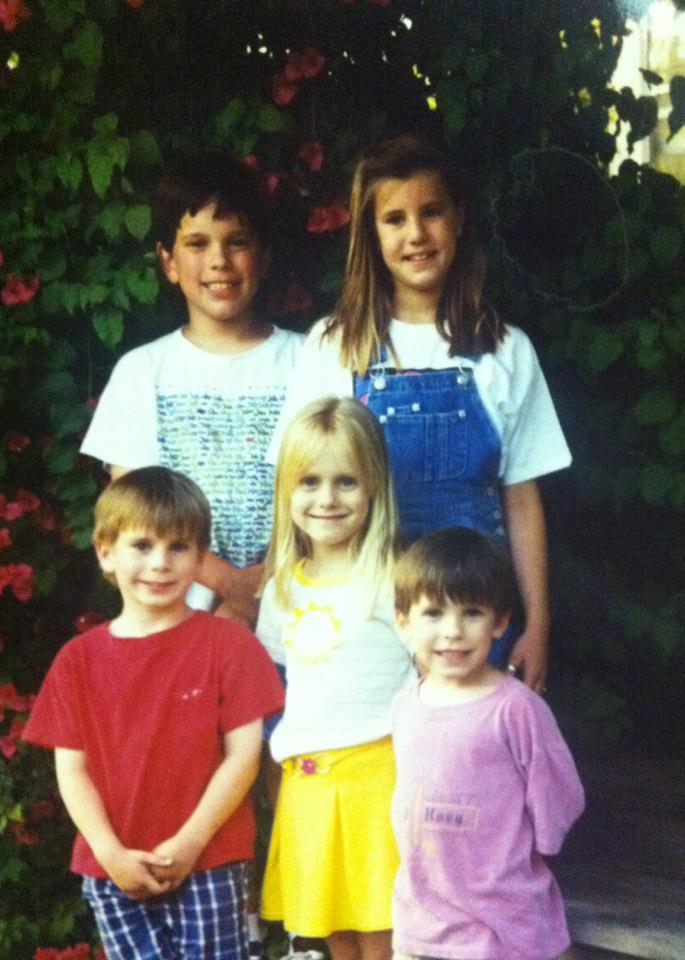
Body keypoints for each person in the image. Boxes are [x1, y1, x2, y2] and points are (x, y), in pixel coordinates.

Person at [270, 134, 571, 691]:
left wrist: (538, 623)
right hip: (362, 617)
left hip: (472, 618)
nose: (416, 234)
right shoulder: (333, 346)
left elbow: (522, 497)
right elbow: (297, 485)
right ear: (370, 233)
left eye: (431, 212)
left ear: (458, 219)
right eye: (394, 219)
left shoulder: (504, 349)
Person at [22, 467, 285, 960]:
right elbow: (72, 771)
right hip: (113, 865)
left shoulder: (229, 645)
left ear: (201, 558)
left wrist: (190, 843)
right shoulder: (77, 660)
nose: (160, 563)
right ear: (106, 552)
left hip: (209, 857)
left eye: (178, 547)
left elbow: (244, 757)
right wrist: (109, 852)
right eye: (142, 546)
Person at [81, 154, 304, 624]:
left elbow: (336, 484)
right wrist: (232, 588)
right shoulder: (142, 372)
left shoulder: (309, 361)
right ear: (168, 261)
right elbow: (137, 513)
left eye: (237, 242)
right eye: (197, 244)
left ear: (264, 256)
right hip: (177, 615)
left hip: (297, 609)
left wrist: (263, 588)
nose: (219, 261)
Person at [257, 397, 413, 960]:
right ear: (287, 490)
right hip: (309, 789)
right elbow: (281, 694)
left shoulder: (395, 579)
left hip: (380, 784)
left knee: (384, 934)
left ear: (374, 487)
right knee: (332, 933)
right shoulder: (281, 587)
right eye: (310, 482)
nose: (326, 499)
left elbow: (435, 683)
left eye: (346, 481)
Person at [391, 526, 585, 960]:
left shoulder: (516, 708)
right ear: (403, 621)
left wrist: (539, 848)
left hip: (501, 919)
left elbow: (559, 791)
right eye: (433, 613)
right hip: (422, 919)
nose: (453, 631)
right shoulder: (404, 705)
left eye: (472, 613)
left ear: (499, 622)